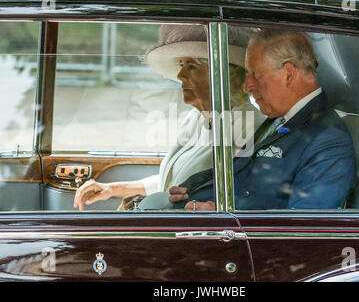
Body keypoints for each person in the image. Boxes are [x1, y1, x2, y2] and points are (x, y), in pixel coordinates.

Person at [73, 24, 265, 211]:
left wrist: (153, 203)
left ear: (225, 75)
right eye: (181, 64)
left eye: (191, 67)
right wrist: (113, 189)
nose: (180, 75)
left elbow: (238, 199)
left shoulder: (250, 126)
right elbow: (175, 183)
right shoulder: (197, 119)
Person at [168, 28, 358, 211]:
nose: (247, 86)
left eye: (256, 74)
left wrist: (223, 213)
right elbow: (240, 169)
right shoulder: (280, 119)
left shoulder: (328, 141)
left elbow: (306, 228)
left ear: (288, 74)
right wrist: (191, 187)